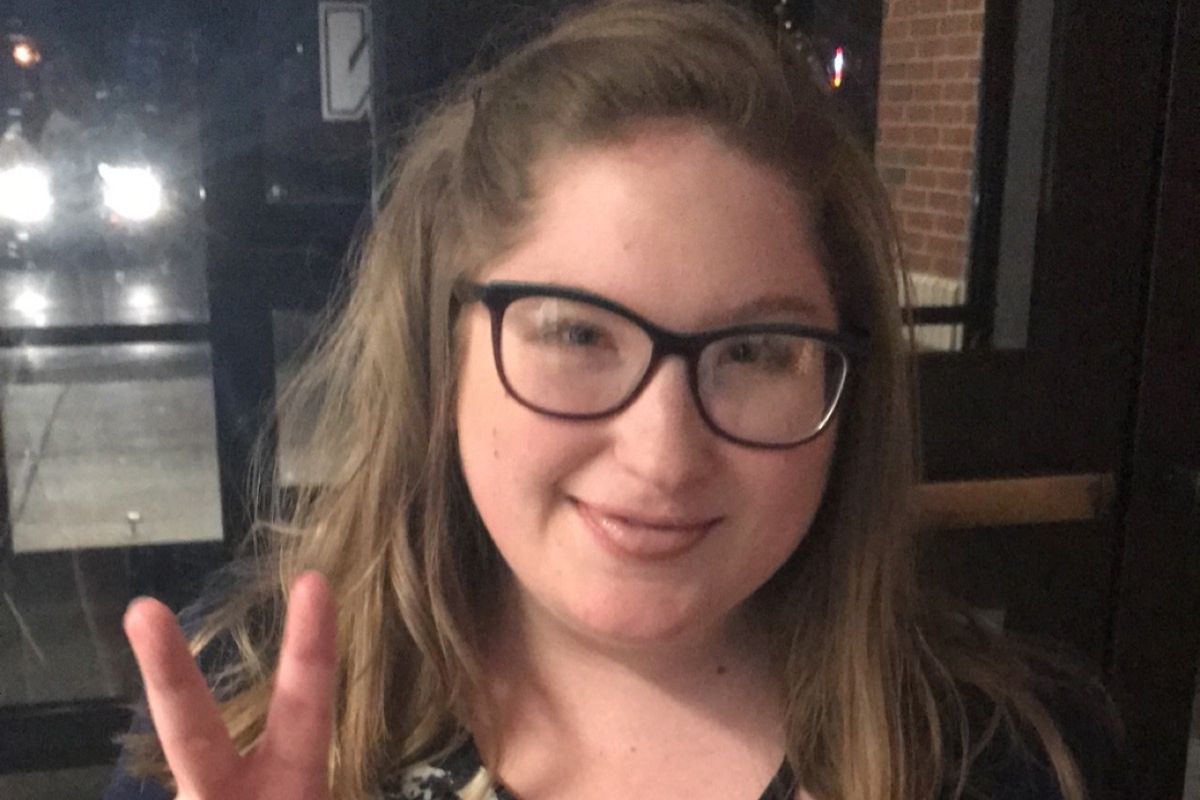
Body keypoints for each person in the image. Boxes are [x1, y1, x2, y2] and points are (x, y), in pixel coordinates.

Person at [107, 2, 1124, 798]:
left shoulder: (1006, 759)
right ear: (441, 355)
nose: (662, 453)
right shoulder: (242, 704)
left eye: (756, 351)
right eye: (577, 335)